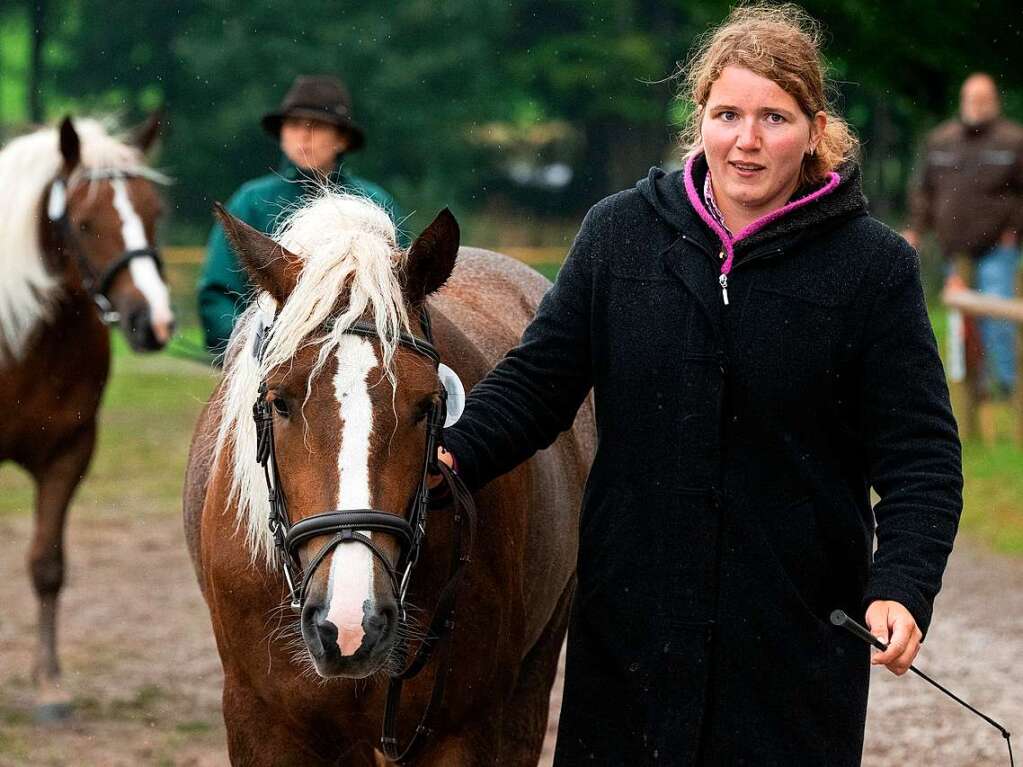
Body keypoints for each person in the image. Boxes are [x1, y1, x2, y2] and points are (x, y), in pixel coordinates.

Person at [438, 5, 962, 765]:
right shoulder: (618, 235)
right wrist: (448, 458)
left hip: (795, 636)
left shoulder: (871, 268)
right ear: (698, 119)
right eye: (727, 114)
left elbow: (919, 456)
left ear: (814, 130)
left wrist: (903, 582)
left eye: (773, 118)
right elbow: (537, 384)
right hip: (630, 628)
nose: (746, 140)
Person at [198, 74, 405, 357]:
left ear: (342, 139)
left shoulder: (376, 205)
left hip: (363, 360)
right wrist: (249, 350)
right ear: (282, 135)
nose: (303, 136)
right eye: (294, 125)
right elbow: (218, 293)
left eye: (317, 126)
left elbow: (404, 293)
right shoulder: (250, 201)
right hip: (264, 362)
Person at [905, 73, 1023, 397]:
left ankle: (1007, 388)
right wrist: (916, 229)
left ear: (995, 102)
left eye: (983, 99)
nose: (977, 106)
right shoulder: (941, 140)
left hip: (998, 248)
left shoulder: (1013, 141)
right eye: (971, 99)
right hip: (953, 250)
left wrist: (1015, 230)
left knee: (998, 316)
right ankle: (971, 388)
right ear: (962, 100)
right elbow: (923, 190)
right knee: (961, 324)